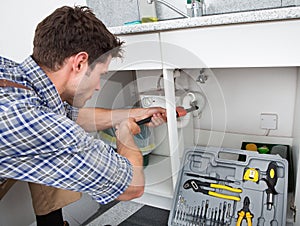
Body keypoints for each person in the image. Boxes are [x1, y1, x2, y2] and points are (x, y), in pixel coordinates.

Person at [0, 5, 166, 226]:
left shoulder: (13, 74)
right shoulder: (30, 121)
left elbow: (70, 117)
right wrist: (125, 135)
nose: (98, 87)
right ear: (78, 63)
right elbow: (131, 187)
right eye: (99, 75)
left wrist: (136, 113)